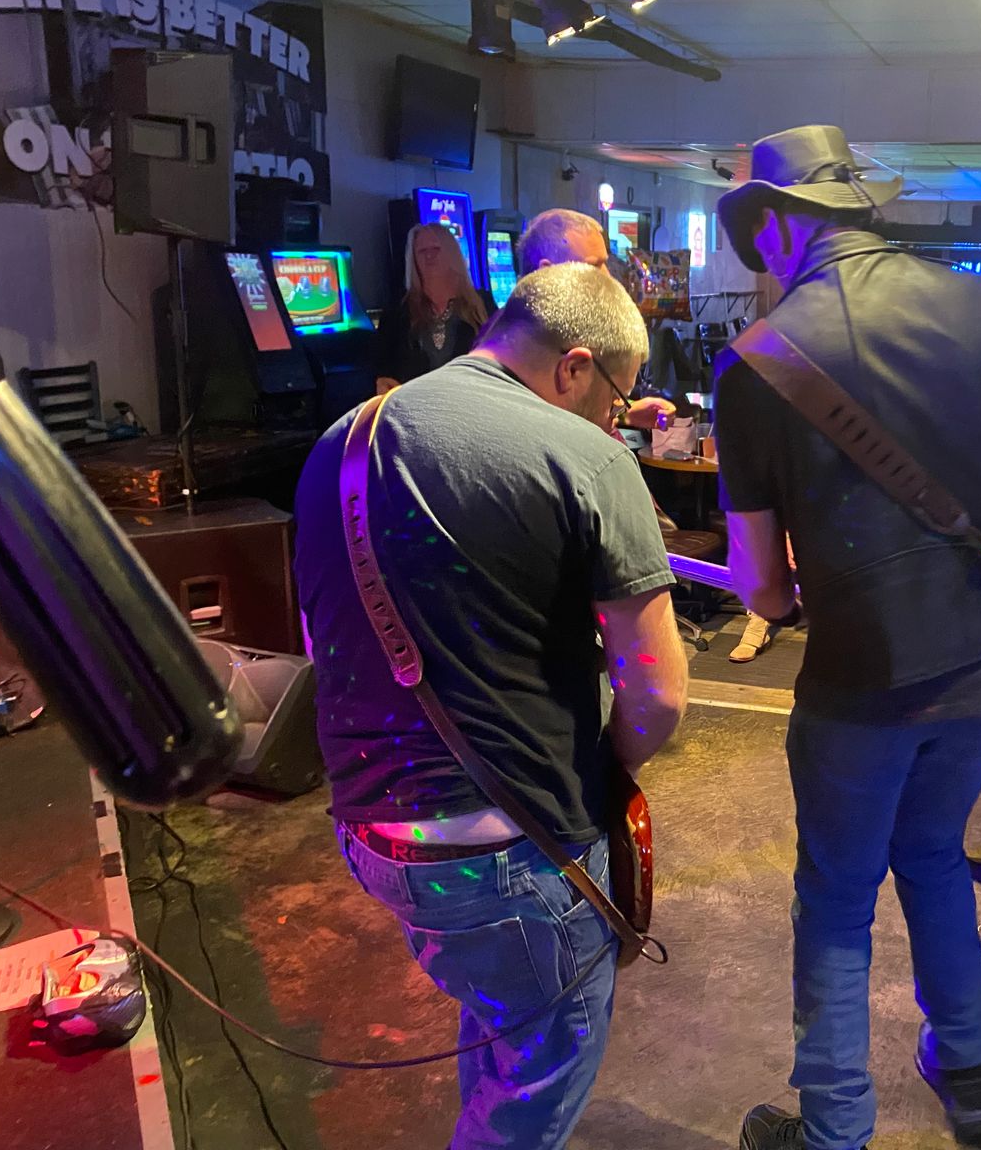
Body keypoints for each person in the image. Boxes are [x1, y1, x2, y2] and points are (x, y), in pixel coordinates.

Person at [712, 124, 981, 1150]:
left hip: (861, 686)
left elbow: (760, 588)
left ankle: (834, 1127)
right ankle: (973, 1085)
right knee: (934, 854)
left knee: (837, 899)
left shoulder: (755, 364)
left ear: (774, 227)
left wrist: (792, 596)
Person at [293, 263, 689, 1150]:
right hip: (509, 851)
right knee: (539, 1083)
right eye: (617, 397)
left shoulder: (344, 439)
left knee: (502, 1013)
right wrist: (606, 768)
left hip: (373, 836)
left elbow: (323, 638)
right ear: (575, 367)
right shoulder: (588, 457)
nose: (615, 420)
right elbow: (658, 694)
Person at [519, 208, 676, 435]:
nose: (607, 277)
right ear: (547, 272)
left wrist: (625, 414)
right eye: (593, 266)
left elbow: (578, 413)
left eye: (605, 264)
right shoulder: (527, 346)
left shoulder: (577, 328)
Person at [374, 223, 495, 392]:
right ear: (413, 259)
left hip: (471, 401)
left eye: (436, 249)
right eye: (422, 251)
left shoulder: (482, 304)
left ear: (451, 254)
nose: (429, 256)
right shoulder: (397, 312)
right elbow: (382, 370)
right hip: (416, 404)